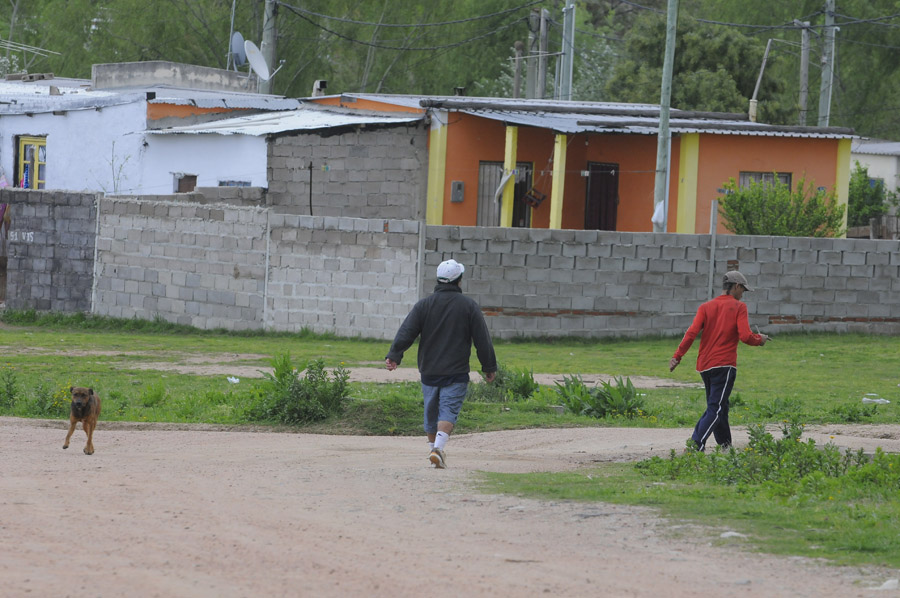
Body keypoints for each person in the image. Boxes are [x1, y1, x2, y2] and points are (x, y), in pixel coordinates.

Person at [385, 259, 497, 468]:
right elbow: (483, 339)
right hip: (456, 372)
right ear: (459, 281)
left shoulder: (424, 305)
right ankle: (438, 449)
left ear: (438, 279)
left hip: (429, 371)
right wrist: (488, 366)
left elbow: (406, 331)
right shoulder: (469, 306)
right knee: (448, 410)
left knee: (431, 411)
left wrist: (394, 355)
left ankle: (433, 451)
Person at [669, 270, 770, 451]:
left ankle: (726, 446)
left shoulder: (705, 307)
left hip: (705, 366)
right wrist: (759, 340)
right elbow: (745, 336)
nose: (742, 294)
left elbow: (691, 333)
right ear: (736, 286)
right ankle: (695, 445)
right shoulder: (739, 307)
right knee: (715, 409)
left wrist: (677, 356)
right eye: (743, 290)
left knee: (720, 406)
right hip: (724, 365)